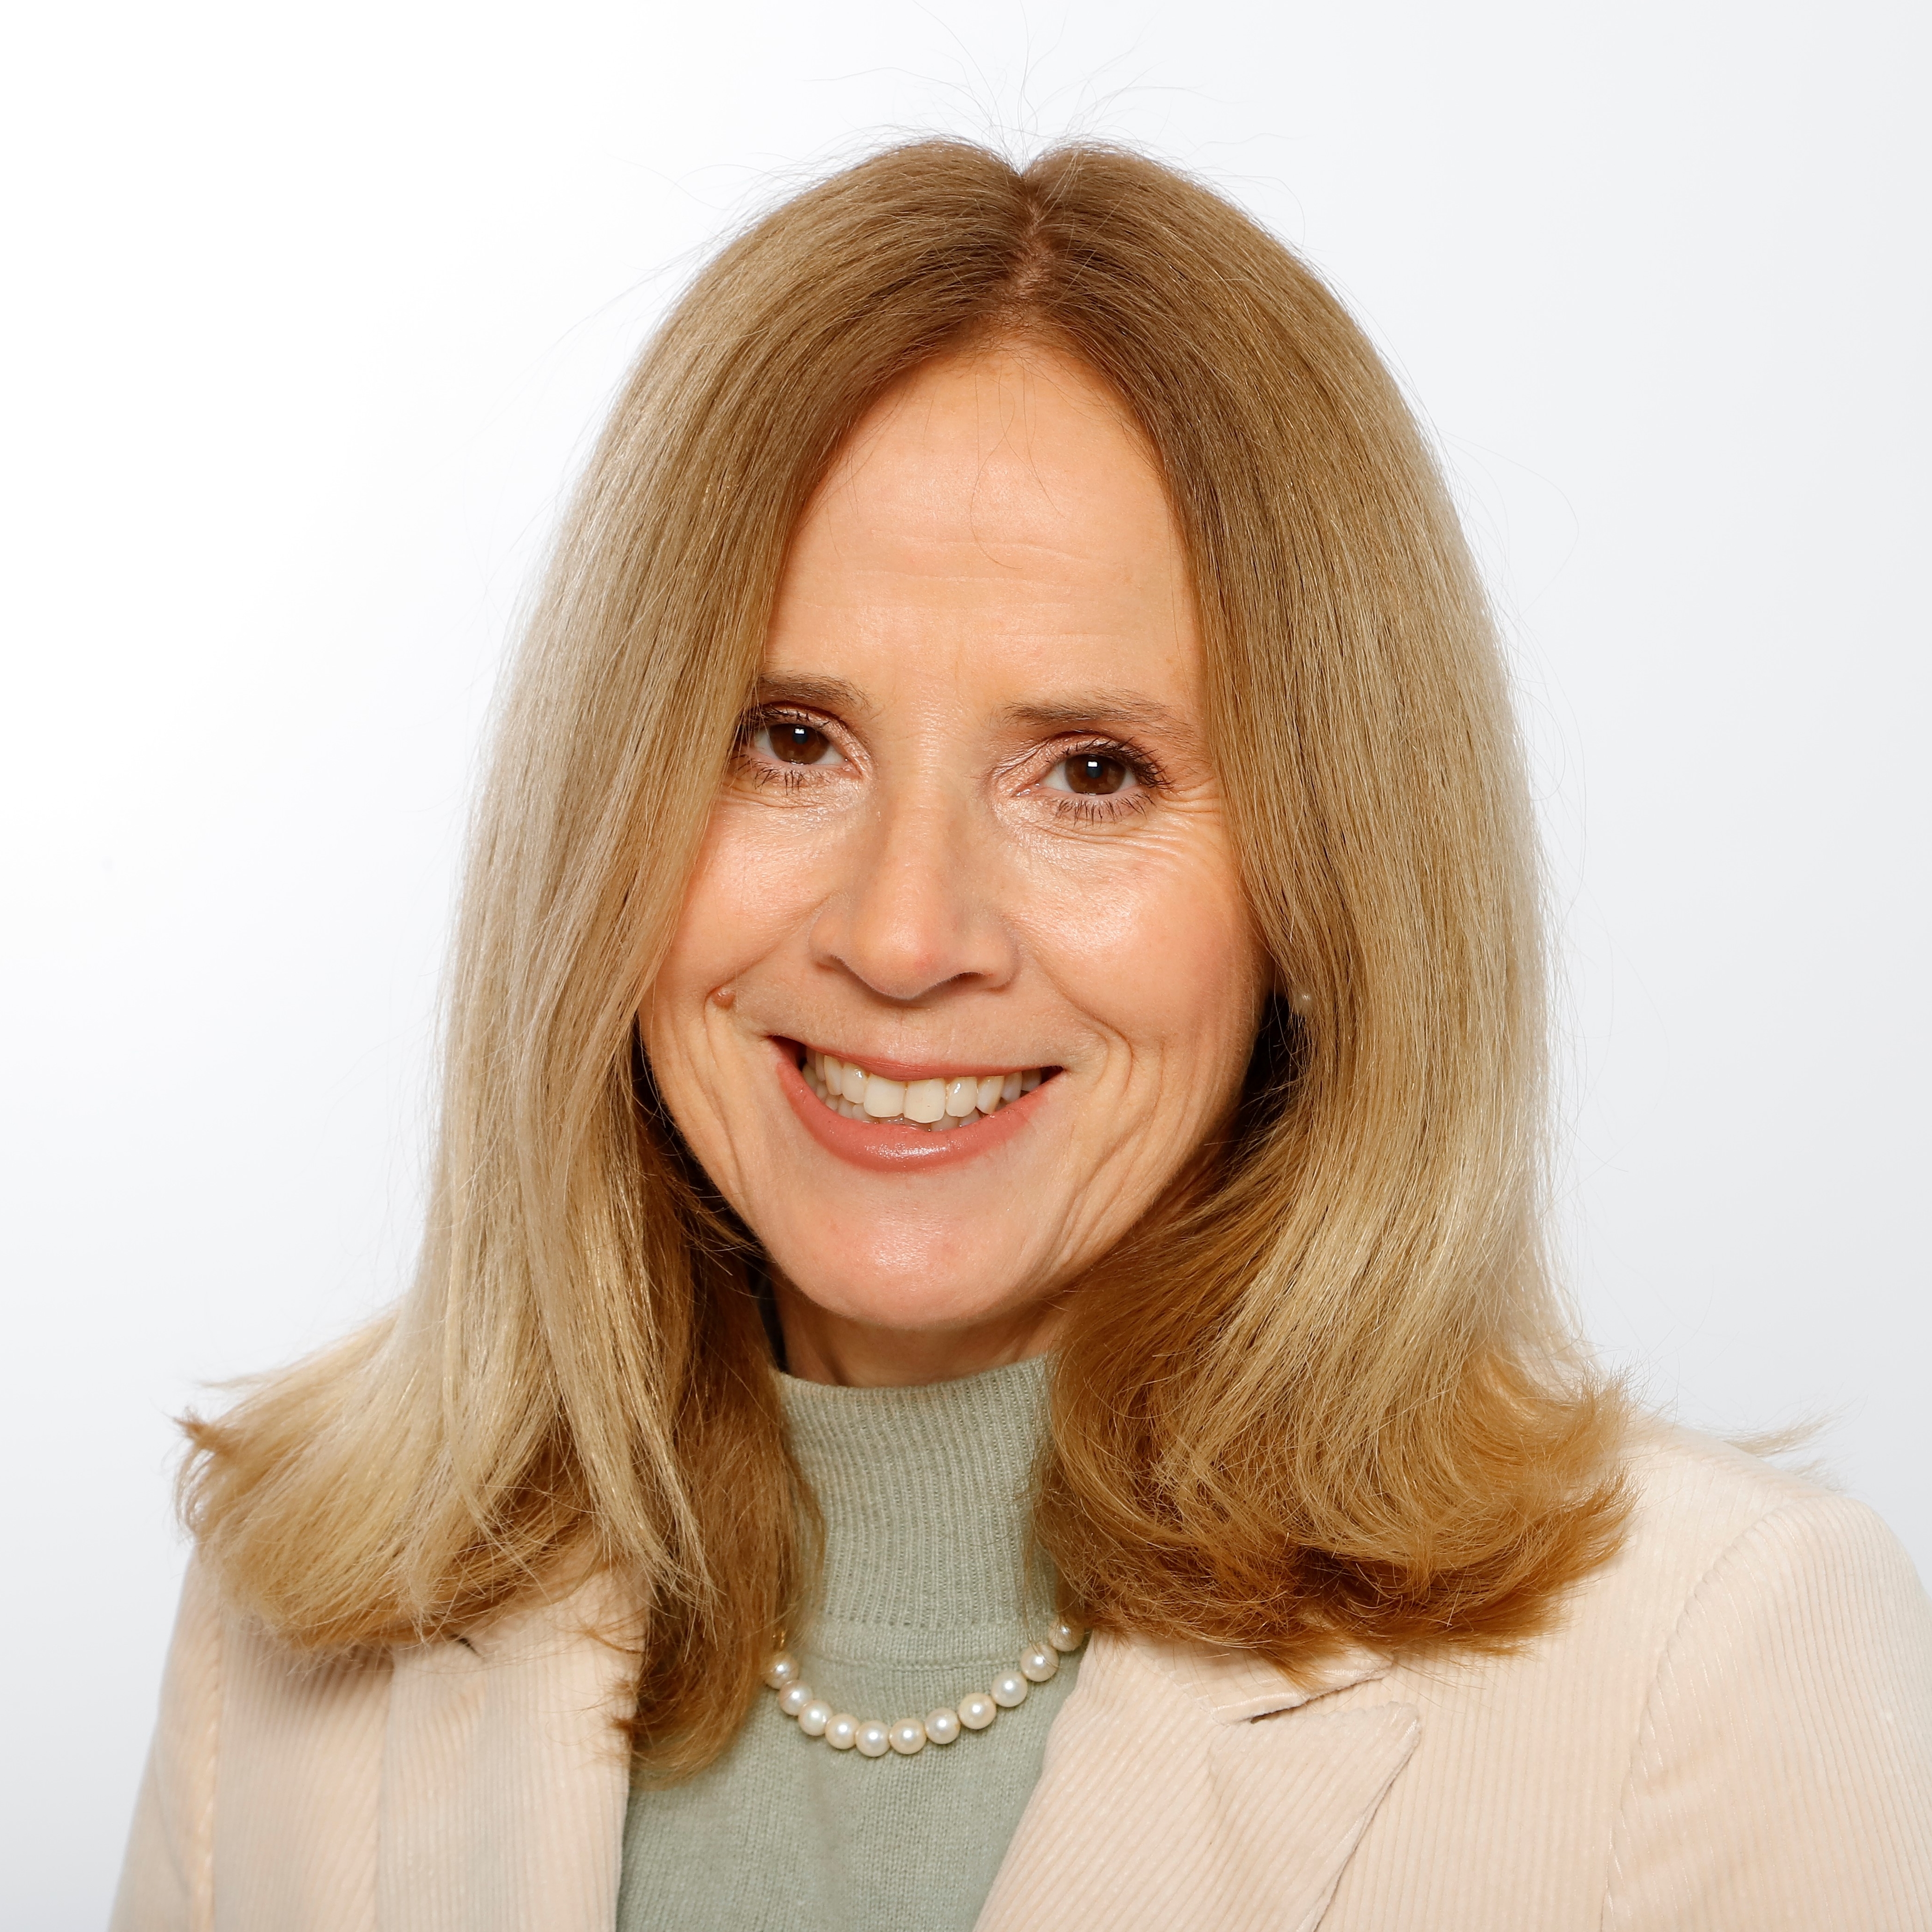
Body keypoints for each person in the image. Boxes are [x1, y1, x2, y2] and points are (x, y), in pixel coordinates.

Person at [112, 139, 1932, 1932]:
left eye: (1091, 772)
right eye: (788, 740)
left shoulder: (1704, 1676)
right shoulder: (296, 1636)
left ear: (1331, 885)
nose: (906, 936)